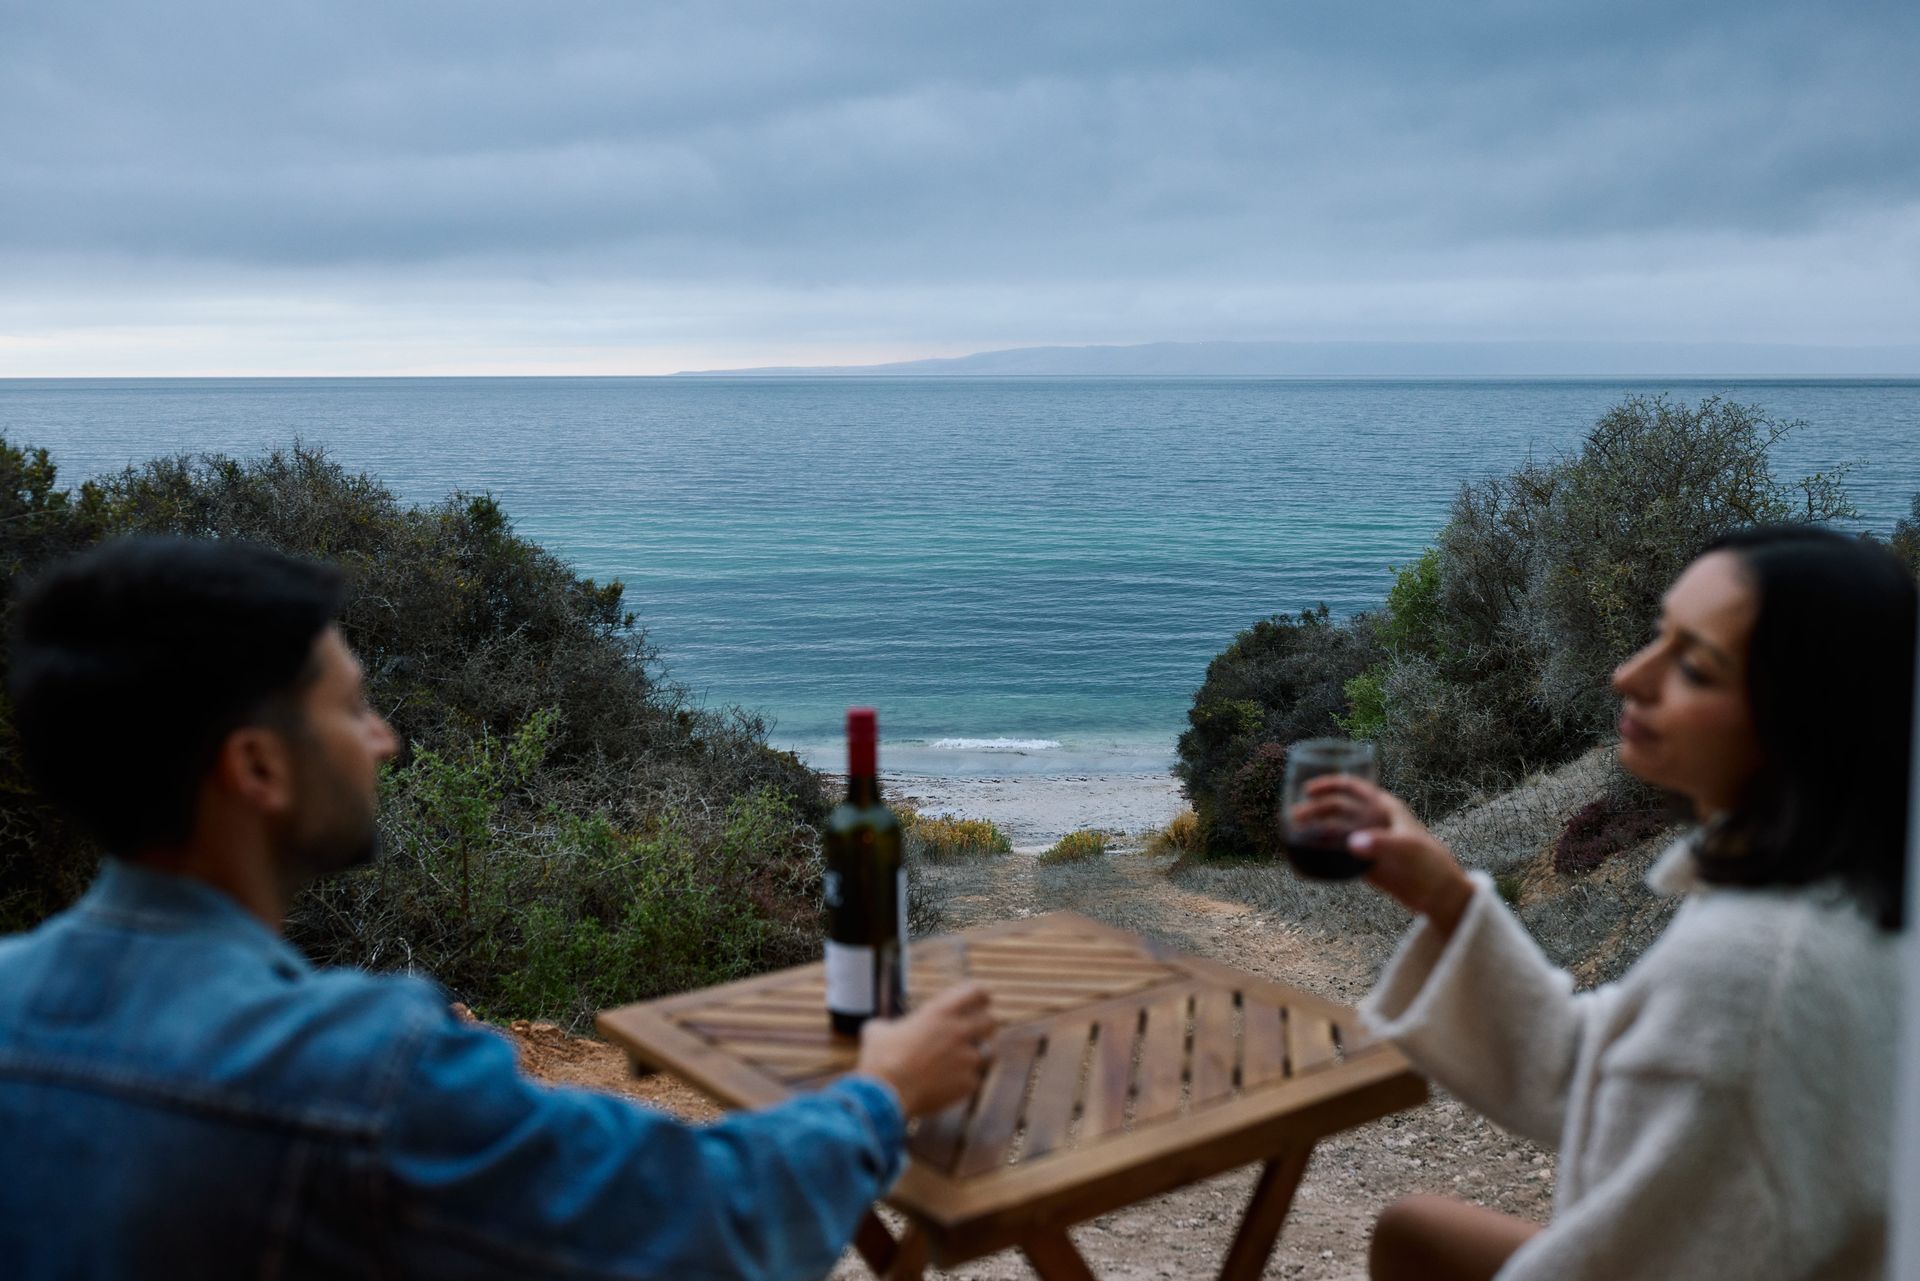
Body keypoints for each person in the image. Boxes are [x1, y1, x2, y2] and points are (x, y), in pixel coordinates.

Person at [0, 536, 995, 1280]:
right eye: (350, 708)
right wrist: (883, 1093)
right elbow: (706, 1223)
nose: (382, 738)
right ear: (256, 766)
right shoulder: (359, 1073)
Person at [1291, 524, 1914, 1281]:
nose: (1629, 675)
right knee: (1414, 1231)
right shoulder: (1850, 896)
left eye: (1695, 666)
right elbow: (1626, 1074)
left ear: (1803, 718)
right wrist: (1447, 899)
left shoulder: (1754, 967)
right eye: (1660, 635)